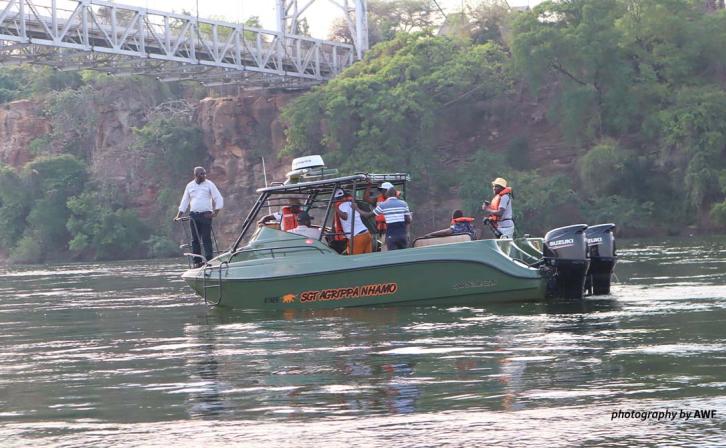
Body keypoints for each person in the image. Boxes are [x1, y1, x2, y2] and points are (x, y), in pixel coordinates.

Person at [175, 166, 224, 267]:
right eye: (202, 174)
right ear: (196, 175)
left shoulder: (209, 184)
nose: (204, 175)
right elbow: (185, 201)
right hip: (194, 215)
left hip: (206, 215)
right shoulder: (190, 186)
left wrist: (215, 213)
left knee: (206, 238)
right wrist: (178, 215)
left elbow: (218, 198)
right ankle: (197, 261)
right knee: (195, 239)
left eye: (205, 173)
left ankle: (209, 260)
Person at [355, 186, 412, 250]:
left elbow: (367, 215)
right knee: (404, 254)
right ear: (396, 194)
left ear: (387, 194)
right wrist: (407, 232)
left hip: (391, 235)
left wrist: (356, 208)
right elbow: (408, 220)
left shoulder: (383, 205)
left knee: (392, 255)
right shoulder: (404, 204)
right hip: (402, 235)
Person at [333, 188, 372, 254]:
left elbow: (345, 217)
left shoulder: (341, 205)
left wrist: (336, 208)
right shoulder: (351, 203)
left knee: (355, 260)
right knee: (367, 259)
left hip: (357, 236)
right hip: (366, 234)